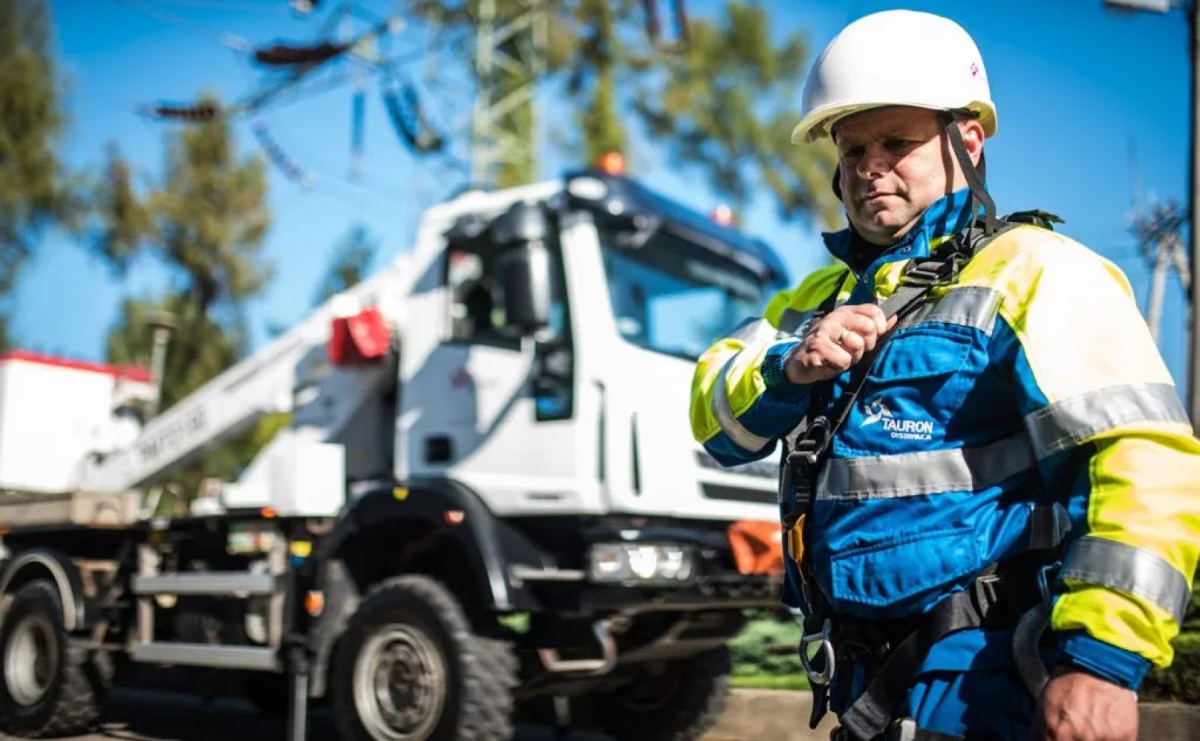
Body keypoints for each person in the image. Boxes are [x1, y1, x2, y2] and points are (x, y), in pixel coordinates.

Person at [688, 9, 1200, 741]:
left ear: (968, 143)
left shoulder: (1038, 272)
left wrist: (1100, 660)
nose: (869, 166)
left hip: (983, 670)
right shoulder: (814, 303)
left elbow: (1146, 463)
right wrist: (789, 366)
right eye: (853, 146)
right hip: (862, 681)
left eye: (898, 142)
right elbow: (712, 417)